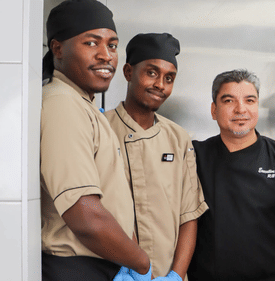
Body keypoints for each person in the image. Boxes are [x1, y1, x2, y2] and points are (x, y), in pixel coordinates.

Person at [40, 0, 151, 280]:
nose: (106, 55)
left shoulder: (83, 104)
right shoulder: (62, 104)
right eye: (92, 43)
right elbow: (84, 216)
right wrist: (142, 265)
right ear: (58, 49)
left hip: (102, 265)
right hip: (77, 270)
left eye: (112, 46)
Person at [187, 69, 275, 281]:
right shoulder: (196, 156)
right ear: (214, 110)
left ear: (257, 106)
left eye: (250, 100)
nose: (240, 109)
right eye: (229, 100)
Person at [104, 33, 208, 280]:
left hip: (166, 272)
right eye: (151, 73)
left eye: (169, 78)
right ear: (128, 72)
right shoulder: (100, 128)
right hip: (110, 273)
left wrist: (175, 275)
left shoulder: (178, 138)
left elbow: (189, 215)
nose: (161, 84)